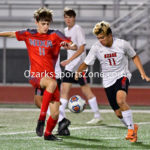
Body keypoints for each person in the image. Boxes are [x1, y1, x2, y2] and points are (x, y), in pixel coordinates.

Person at [0, 7, 77, 141]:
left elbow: (74, 46)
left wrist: (68, 45)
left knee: (55, 114)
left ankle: (47, 134)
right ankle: (41, 119)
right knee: (51, 84)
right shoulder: (29, 34)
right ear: (36, 22)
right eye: (43, 23)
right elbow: (12, 34)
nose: (46, 26)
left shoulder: (56, 34)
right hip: (35, 76)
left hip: (50, 76)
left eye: (48, 24)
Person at [75, 21, 150, 143]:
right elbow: (86, 63)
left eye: (102, 37)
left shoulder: (122, 44)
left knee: (121, 100)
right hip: (108, 81)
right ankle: (132, 127)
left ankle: (130, 130)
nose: (100, 40)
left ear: (110, 35)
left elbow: (134, 56)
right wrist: (78, 72)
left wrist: (142, 73)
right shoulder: (96, 48)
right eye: (98, 38)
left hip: (122, 75)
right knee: (118, 114)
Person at [57, 7, 102, 136]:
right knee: (64, 91)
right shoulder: (65, 30)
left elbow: (81, 49)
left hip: (79, 66)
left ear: (74, 18)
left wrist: (68, 60)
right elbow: (71, 47)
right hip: (69, 66)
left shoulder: (78, 29)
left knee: (86, 91)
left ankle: (97, 115)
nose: (68, 19)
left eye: (70, 16)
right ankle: (61, 118)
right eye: (66, 17)